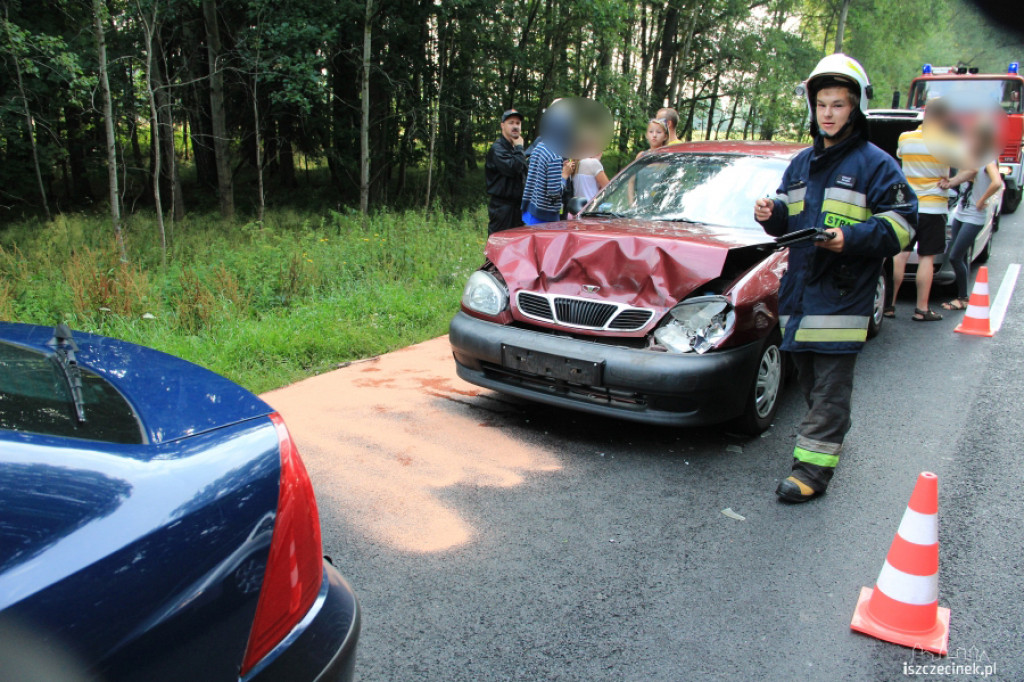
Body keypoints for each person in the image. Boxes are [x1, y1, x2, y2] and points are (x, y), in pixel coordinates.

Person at [754, 54, 917, 503]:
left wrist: (850, 239)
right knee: (810, 383)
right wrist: (772, 215)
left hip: (842, 298)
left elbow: (903, 224)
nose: (828, 113)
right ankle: (830, 434)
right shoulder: (802, 163)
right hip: (800, 295)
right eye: (822, 104)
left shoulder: (877, 165)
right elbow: (789, 218)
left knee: (829, 388)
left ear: (856, 109)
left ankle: (811, 473)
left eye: (839, 105)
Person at [892, 113, 973, 321]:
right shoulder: (948, 142)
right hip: (933, 208)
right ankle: (921, 309)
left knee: (900, 254)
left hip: (907, 205)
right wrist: (952, 182)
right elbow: (971, 168)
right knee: (926, 258)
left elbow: (900, 156)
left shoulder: (905, 138)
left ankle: (888, 305)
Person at [942, 161, 1003, 310]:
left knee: (955, 257)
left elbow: (997, 182)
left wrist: (982, 200)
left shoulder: (987, 160)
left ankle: (963, 298)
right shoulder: (968, 158)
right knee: (961, 257)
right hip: (960, 214)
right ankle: (962, 296)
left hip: (974, 217)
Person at [485, 109, 529, 234]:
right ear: (502, 125)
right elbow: (513, 169)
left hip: (518, 207)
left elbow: (523, 175)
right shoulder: (498, 148)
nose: (515, 126)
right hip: (503, 208)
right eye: (511, 123)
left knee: (517, 247)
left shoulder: (514, 148)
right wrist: (520, 148)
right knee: (500, 246)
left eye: (518, 123)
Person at [521, 135, 574, 225]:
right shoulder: (555, 155)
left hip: (531, 211)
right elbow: (554, 192)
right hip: (545, 218)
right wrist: (564, 175)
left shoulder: (539, 147)